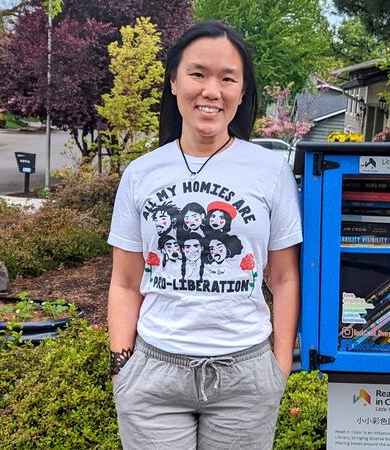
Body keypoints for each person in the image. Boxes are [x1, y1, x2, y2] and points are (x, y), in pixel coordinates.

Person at [107, 21, 302, 450]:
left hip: (245, 376)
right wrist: (122, 364)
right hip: (155, 375)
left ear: (242, 90)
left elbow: (285, 278)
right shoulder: (141, 174)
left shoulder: (271, 172)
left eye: (227, 78)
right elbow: (124, 282)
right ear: (174, 81)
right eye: (198, 74)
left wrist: (279, 365)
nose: (212, 91)